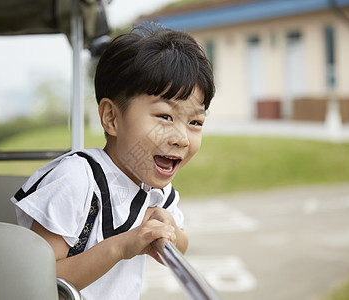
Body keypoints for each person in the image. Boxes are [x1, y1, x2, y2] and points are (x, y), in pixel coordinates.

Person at [11, 23, 215, 299]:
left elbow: (181, 245)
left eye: (195, 122)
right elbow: (38, 280)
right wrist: (119, 248)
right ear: (111, 117)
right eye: (165, 117)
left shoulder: (157, 190)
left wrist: (170, 230)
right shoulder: (77, 180)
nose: (181, 138)